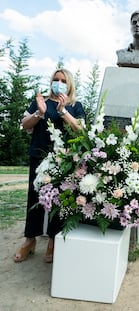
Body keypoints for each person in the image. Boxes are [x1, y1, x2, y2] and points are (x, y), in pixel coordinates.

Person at [14, 69, 86, 263]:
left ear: (69, 84)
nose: (59, 83)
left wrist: (63, 112)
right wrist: (39, 112)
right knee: (34, 196)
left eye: (63, 80)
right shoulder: (41, 101)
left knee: (59, 199)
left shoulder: (75, 106)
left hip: (63, 160)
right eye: (56, 79)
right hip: (38, 155)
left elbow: (81, 129)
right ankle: (30, 239)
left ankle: (54, 239)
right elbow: (25, 124)